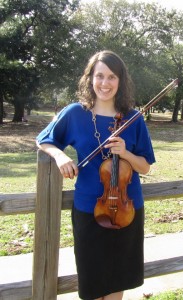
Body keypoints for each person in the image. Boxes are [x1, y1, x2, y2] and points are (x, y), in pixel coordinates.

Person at [36, 50, 155, 300]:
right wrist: (60, 156)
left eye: (112, 77)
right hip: (90, 208)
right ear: (90, 78)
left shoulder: (134, 118)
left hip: (127, 209)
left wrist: (126, 154)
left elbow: (145, 167)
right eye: (99, 76)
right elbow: (44, 140)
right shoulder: (75, 113)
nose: (105, 83)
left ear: (120, 81)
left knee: (117, 280)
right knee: (92, 281)